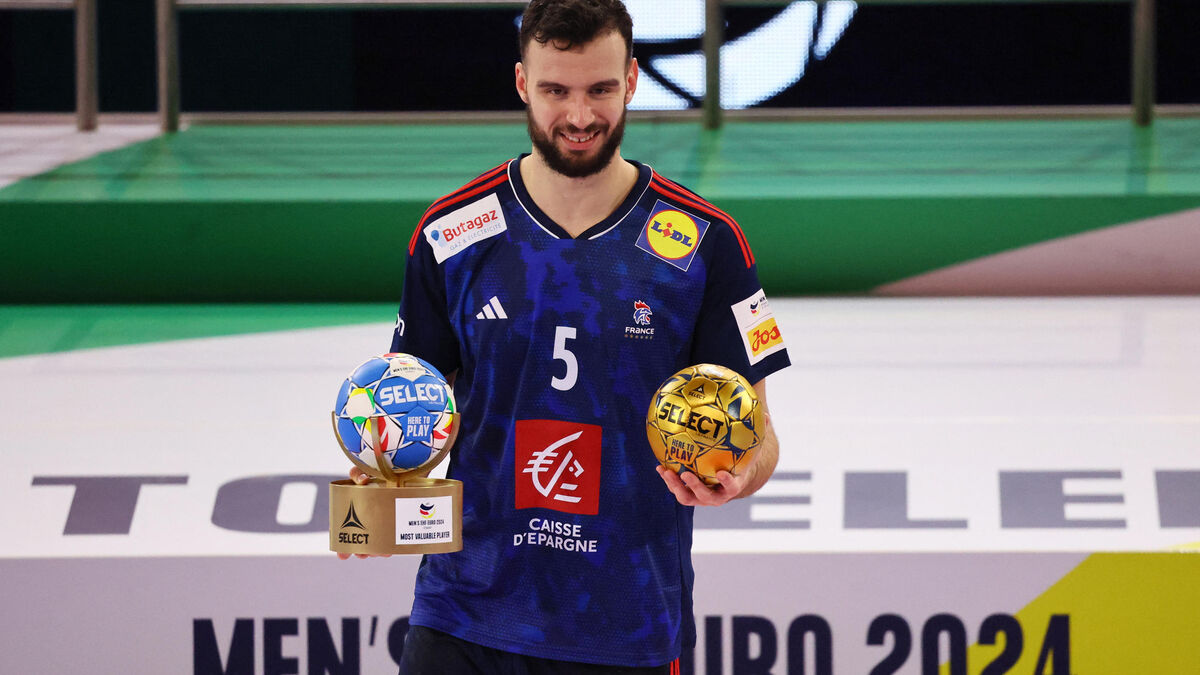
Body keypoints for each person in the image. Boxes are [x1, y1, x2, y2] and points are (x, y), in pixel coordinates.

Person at [342, 1, 790, 672]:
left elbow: (761, 437)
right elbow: (410, 417)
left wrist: (739, 472)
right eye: (556, 90)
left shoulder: (707, 242)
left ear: (632, 80)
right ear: (522, 82)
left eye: (600, 90)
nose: (579, 117)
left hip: (625, 626)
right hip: (464, 614)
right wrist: (374, 486)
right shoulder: (449, 234)